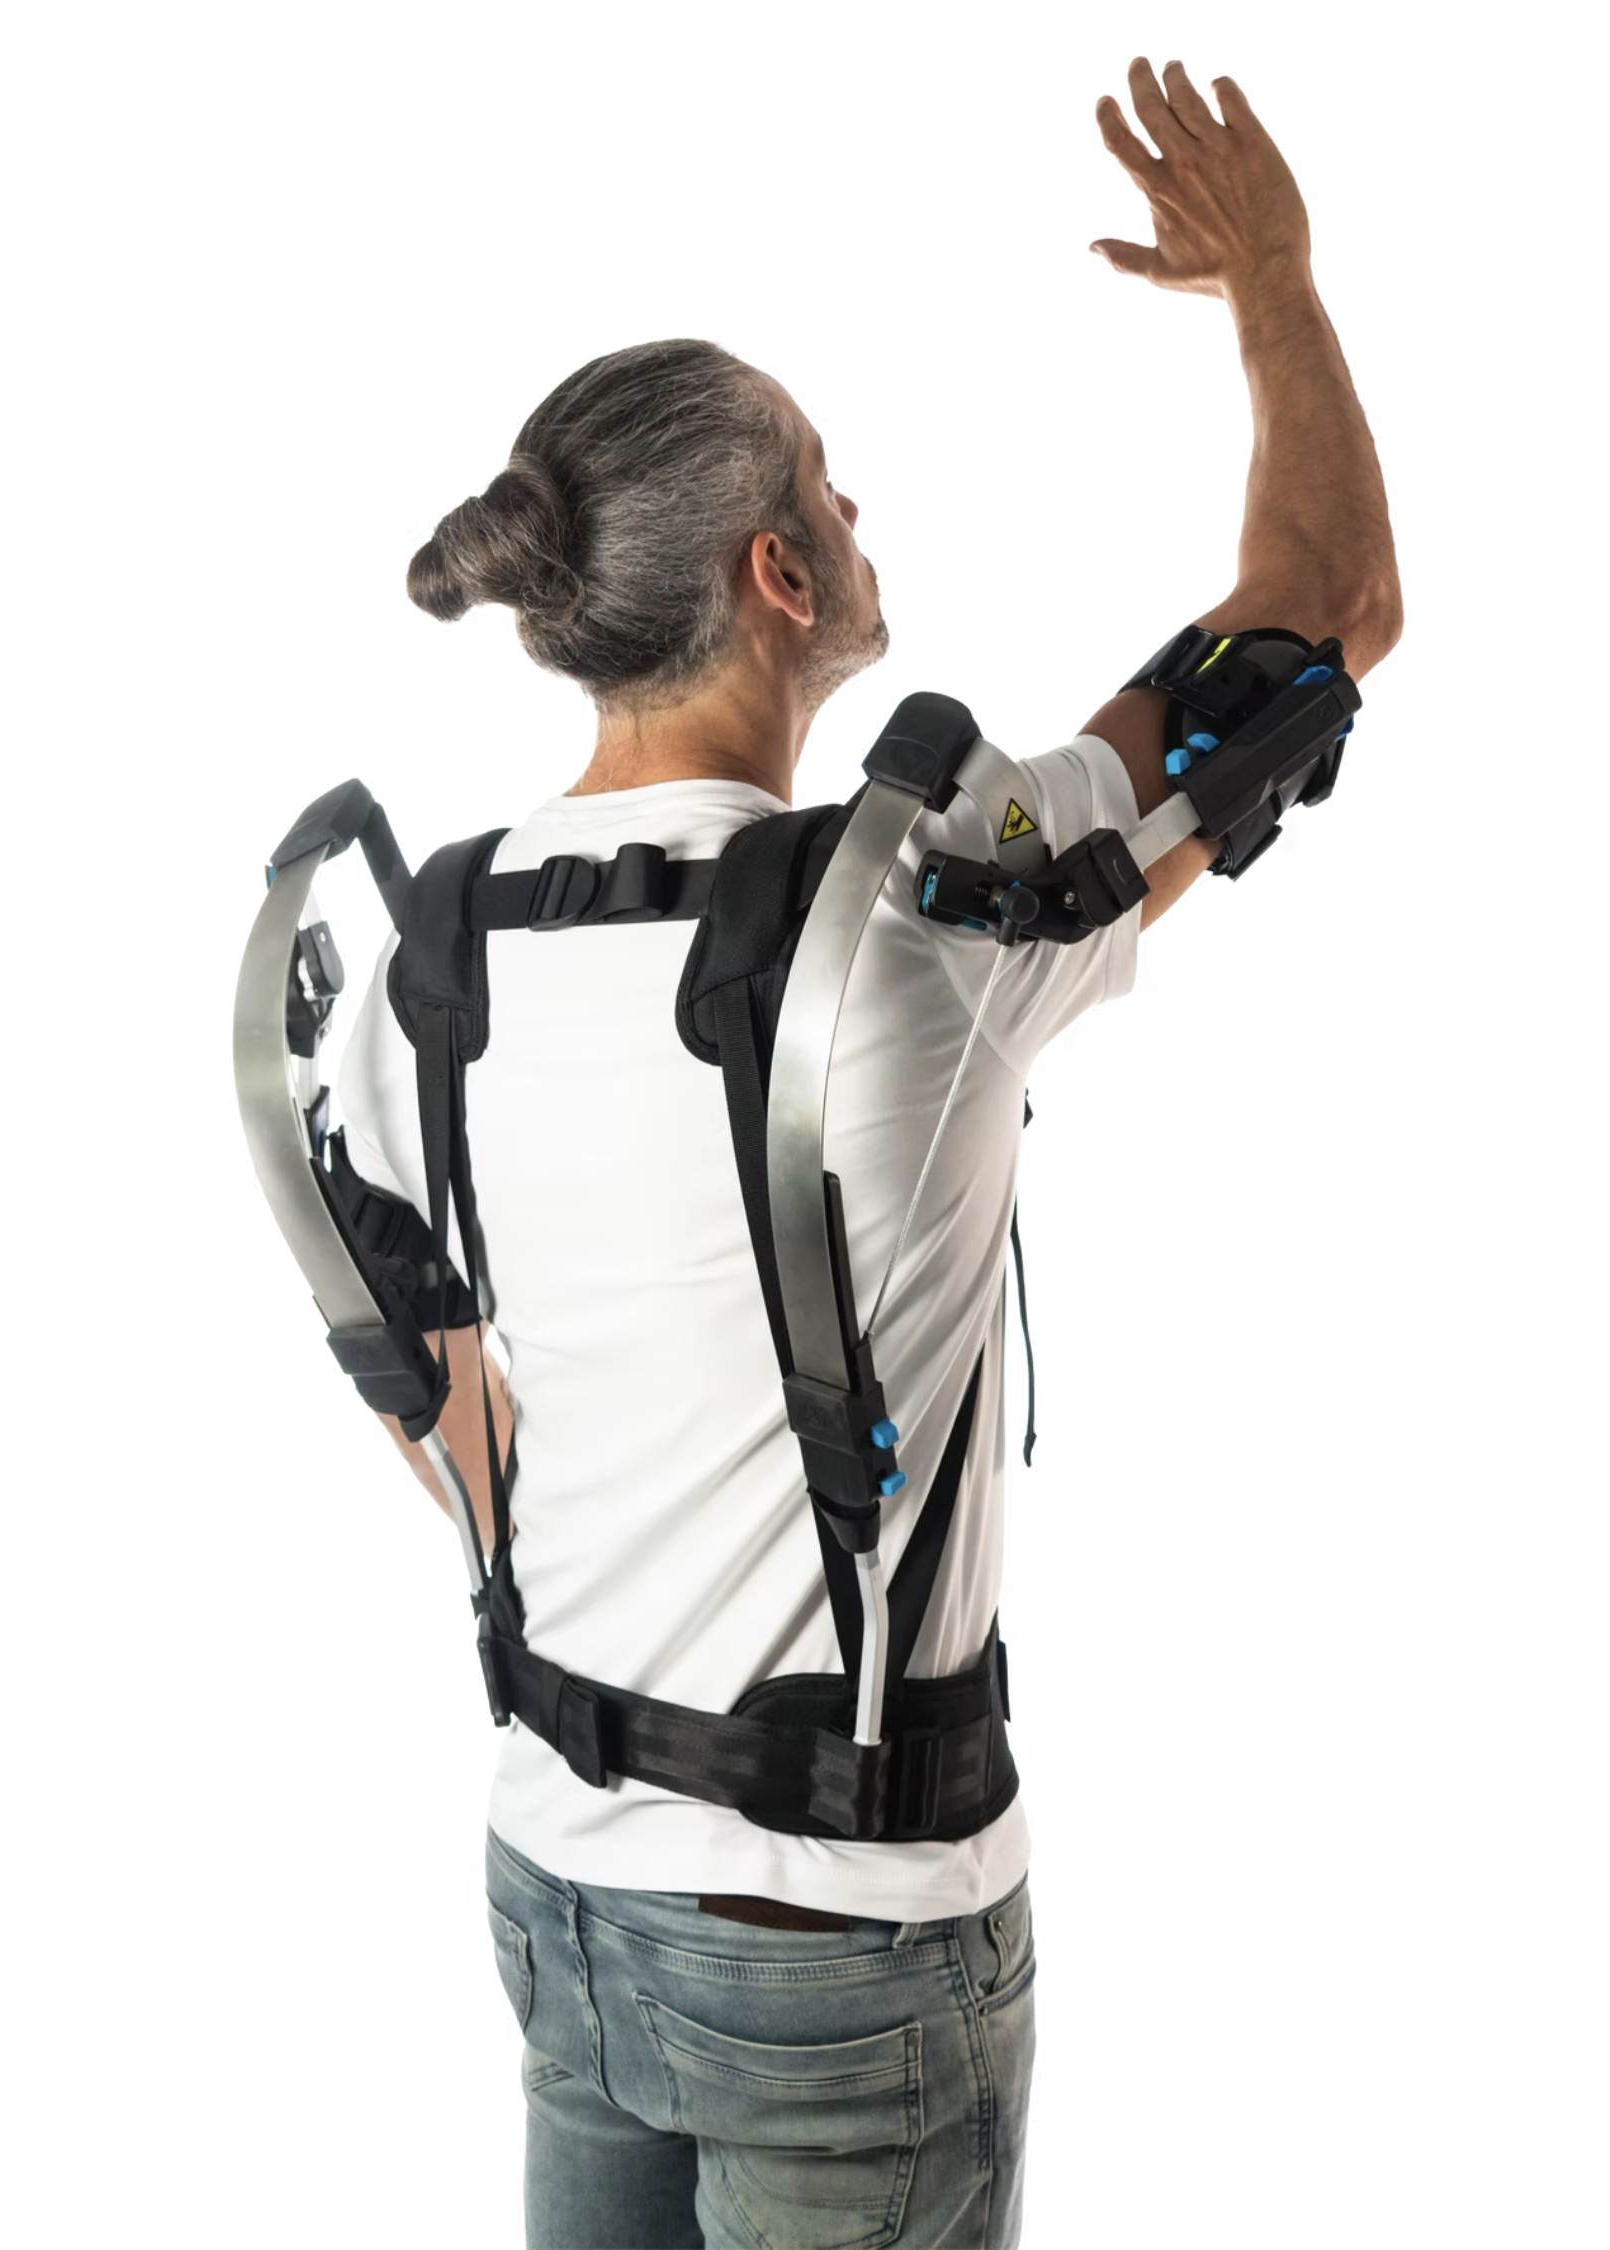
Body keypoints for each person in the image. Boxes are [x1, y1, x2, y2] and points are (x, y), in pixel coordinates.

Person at [324, 54, 1401, 2250]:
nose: (853, 499)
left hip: (559, 1880)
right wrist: (1275, 283)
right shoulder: (926, 910)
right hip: (847, 1948)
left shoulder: (428, 955)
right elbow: (1322, 609)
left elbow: (412, 1362)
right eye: (826, 476)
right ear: (776, 571)